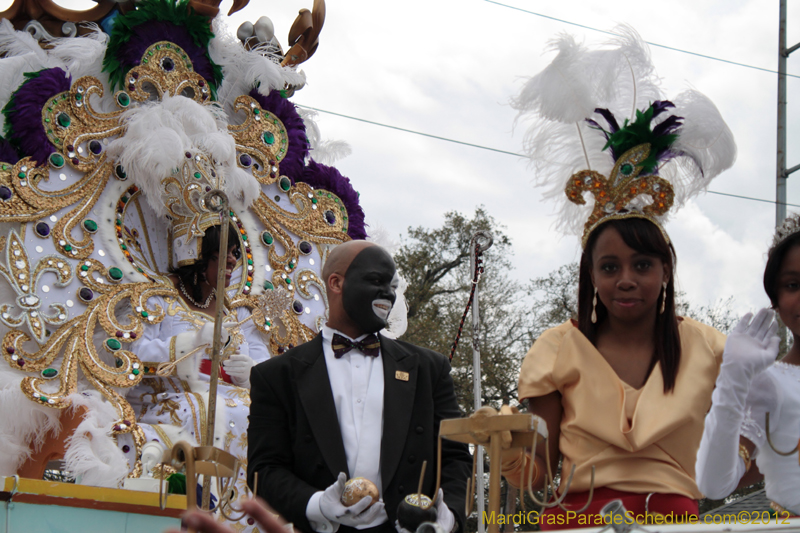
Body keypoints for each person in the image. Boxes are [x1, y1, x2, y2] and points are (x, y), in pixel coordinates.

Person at [501, 29, 736, 529]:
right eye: (610, 267)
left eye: (642, 265)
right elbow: (539, 479)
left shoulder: (711, 350)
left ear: (665, 270)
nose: (626, 279)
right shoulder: (556, 350)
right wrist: (506, 451)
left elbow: (738, 462)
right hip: (574, 523)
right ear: (591, 275)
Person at [247, 240, 472, 533]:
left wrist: (449, 517)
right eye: (376, 281)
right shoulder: (275, 375)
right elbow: (264, 469)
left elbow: (455, 457)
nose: (388, 293)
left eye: (392, 286)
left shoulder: (429, 369)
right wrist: (318, 504)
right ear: (336, 283)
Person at [125, 223, 269, 510]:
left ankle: (243, 517)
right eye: (223, 252)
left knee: (264, 416)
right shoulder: (160, 299)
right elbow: (133, 353)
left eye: (235, 252)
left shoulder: (237, 311)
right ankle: (204, 512)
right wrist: (190, 343)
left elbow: (265, 363)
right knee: (207, 409)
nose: (233, 260)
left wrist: (251, 373)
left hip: (234, 398)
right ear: (196, 254)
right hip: (170, 399)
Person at [695, 215, 800, 515]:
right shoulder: (771, 384)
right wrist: (733, 379)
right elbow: (715, 484)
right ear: (776, 299)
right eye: (793, 285)